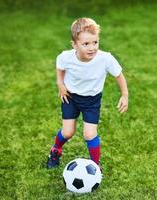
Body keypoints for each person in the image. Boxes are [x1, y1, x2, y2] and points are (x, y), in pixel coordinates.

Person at [46, 17, 129, 169]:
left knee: (89, 134)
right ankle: (55, 150)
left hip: (92, 101)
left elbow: (118, 75)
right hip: (70, 97)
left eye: (95, 42)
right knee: (67, 132)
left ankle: (95, 167)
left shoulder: (105, 59)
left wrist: (124, 95)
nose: (92, 48)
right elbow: (60, 66)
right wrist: (60, 83)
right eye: (85, 44)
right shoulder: (67, 57)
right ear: (74, 45)